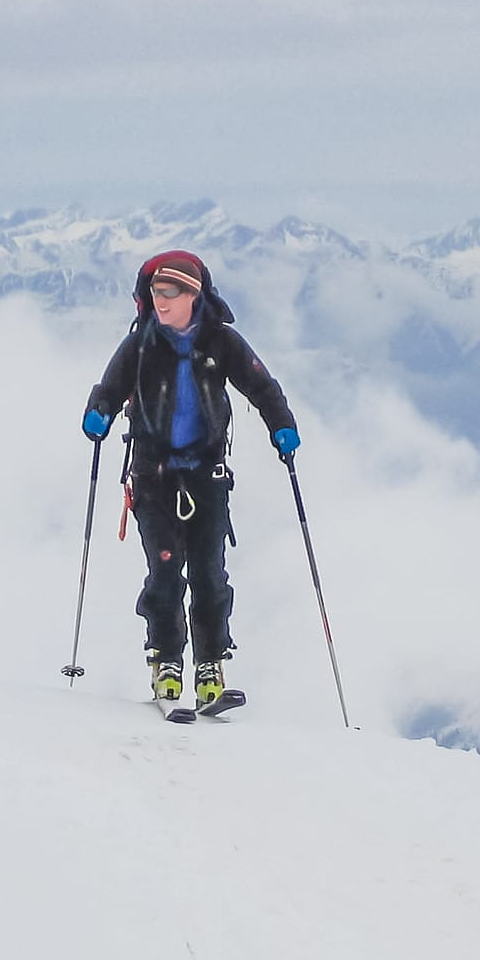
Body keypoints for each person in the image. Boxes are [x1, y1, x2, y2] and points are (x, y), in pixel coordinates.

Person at [82, 250, 300, 706]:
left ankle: (210, 662)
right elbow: (110, 388)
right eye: (155, 293)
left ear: (193, 296)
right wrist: (98, 412)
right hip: (152, 477)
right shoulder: (140, 343)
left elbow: (260, 386)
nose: (159, 302)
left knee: (208, 573)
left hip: (207, 475)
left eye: (169, 294)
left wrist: (281, 424)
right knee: (165, 572)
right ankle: (166, 657)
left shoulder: (221, 342)